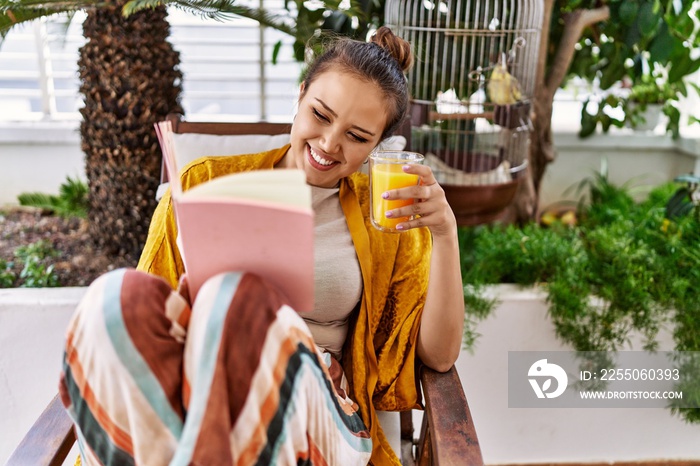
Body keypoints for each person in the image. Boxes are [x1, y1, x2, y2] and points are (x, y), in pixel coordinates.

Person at [59, 26, 464, 466]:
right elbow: (152, 322)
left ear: (377, 144)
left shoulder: (385, 215)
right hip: (202, 386)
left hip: (316, 407)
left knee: (242, 298)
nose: (329, 145)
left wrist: (445, 234)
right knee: (118, 296)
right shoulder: (205, 181)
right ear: (301, 93)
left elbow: (438, 357)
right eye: (321, 115)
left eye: (357, 136)